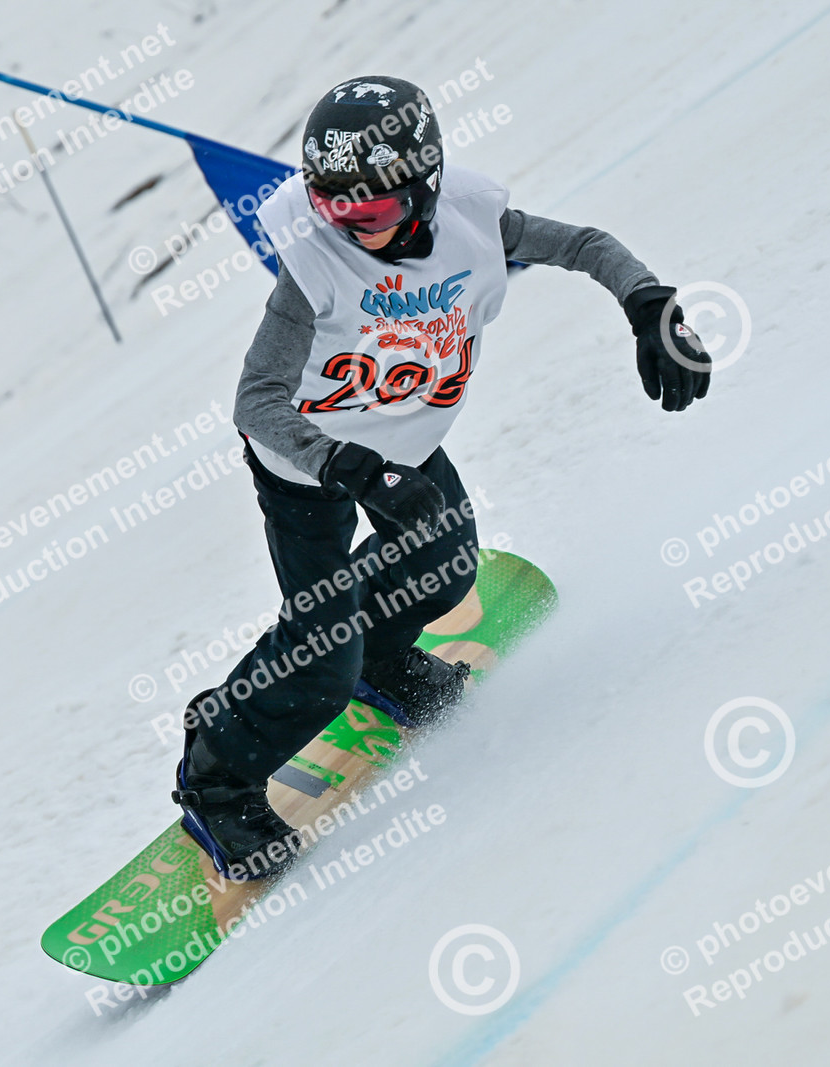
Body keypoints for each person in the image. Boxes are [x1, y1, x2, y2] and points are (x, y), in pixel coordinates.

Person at [172, 75, 710, 879]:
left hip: (405, 442)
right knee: (321, 652)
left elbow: (588, 244)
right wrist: (344, 463)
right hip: (310, 466)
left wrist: (649, 305)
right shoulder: (313, 267)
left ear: (423, 190)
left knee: (445, 567)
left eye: (373, 213)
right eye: (332, 209)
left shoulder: (472, 222)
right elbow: (256, 399)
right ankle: (215, 775)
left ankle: (384, 659)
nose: (352, 230)